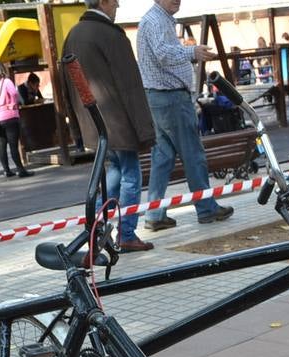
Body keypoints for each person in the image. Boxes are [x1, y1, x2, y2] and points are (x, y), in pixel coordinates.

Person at [64, 0, 157, 251]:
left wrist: (76, 128)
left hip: (93, 122)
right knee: (130, 175)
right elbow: (131, 85)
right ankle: (126, 233)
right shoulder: (110, 34)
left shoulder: (73, 34)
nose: (117, 7)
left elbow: (65, 85)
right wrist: (145, 129)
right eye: (115, 2)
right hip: (118, 121)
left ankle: (94, 231)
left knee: (112, 173)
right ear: (103, 2)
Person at [137, 0, 234, 230]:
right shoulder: (156, 20)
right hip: (171, 98)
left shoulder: (154, 19)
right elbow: (163, 54)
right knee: (193, 154)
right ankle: (206, 208)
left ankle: (155, 214)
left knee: (162, 158)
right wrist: (192, 51)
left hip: (160, 97)